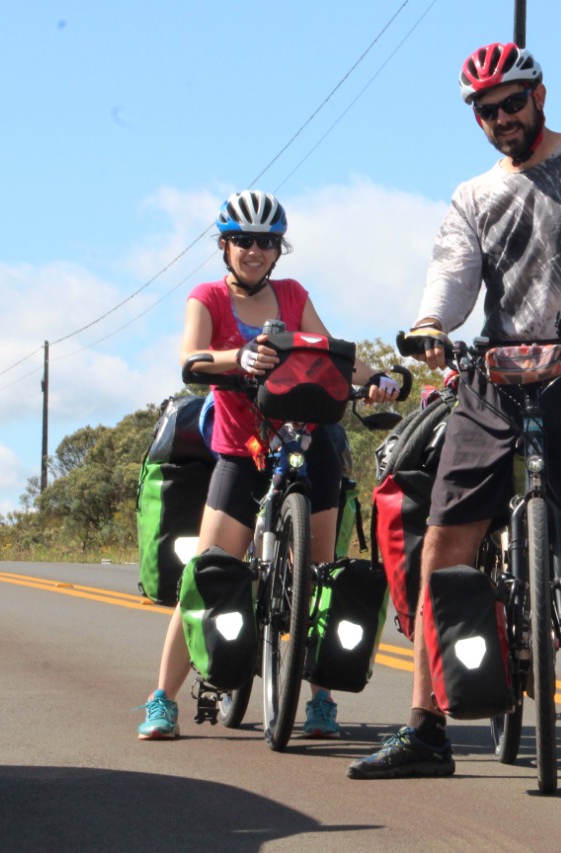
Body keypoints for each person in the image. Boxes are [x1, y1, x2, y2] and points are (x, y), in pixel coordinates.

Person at [347, 43, 561, 783]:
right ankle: (426, 725)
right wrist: (431, 324)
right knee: (442, 547)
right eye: (485, 111)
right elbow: (452, 275)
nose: (501, 119)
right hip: (492, 380)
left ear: (540, 96)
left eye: (511, 103)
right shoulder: (473, 195)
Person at [137, 190, 398, 740]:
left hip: (310, 445)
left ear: (279, 250)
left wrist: (375, 379)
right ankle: (162, 700)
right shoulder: (207, 297)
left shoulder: (292, 294)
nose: (255, 251)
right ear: (225, 246)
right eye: (243, 241)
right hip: (241, 453)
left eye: (267, 242)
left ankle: (321, 701)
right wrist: (239, 357)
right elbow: (191, 358)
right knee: (206, 576)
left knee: (320, 575)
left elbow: (331, 354)